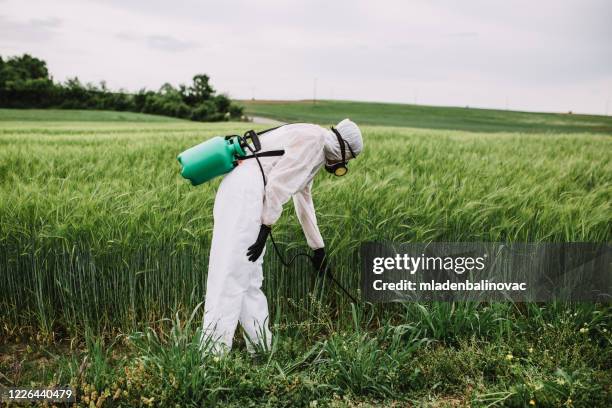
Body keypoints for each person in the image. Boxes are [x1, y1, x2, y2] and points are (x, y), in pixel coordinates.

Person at [201, 119, 364, 354]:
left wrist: (318, 248)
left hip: (250, 189)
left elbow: (303, 198)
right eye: (347, 158)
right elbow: (278, 186)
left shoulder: (316, 143)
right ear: (344, 149)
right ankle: (212, 356)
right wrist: (265, 228)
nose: (343, 164)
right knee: (232, 272)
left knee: (250, 276)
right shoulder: (314, 142)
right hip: (246, 191)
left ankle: (261, 348)